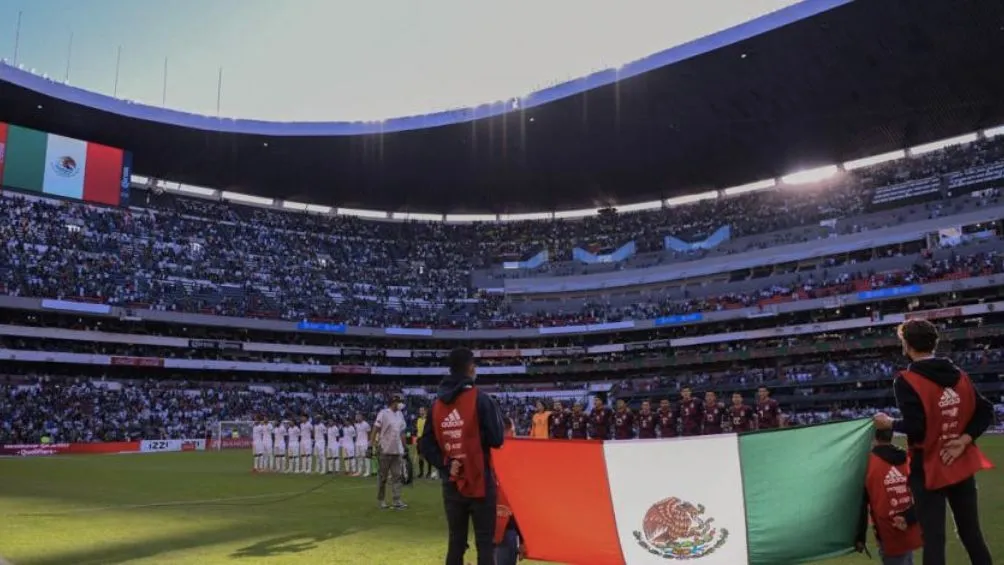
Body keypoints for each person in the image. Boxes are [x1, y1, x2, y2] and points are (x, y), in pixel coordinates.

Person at [874, 319, 994, 565]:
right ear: (934, 343)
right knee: (972, 535)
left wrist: (890, 424)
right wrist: (963, 440)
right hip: (960, 462)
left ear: (906, 345)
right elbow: (985, 411)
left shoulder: (906, 380)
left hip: (927, 465)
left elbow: (916, 430)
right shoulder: (960, 375)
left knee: (933, 539)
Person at [419, 347, 505, 565]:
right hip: (480, 481)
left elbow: (425, 444)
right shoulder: (482, 399)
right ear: (471, 368)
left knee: (456, 542)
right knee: (485, 543)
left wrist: (445, 464)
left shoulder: (436, 406)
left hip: (452, 482)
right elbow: (497, 439)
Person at [856, 428, 922, 565]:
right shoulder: (906, 457)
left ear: (874, 437)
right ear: (892, 435)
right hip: (909, 523)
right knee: (907, 559)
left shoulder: (868, 463)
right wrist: (910, 517)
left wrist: (860, 537)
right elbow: (921, 494)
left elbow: (862, 504)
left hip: (887, 528)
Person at [494, 417, 525, 565]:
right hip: (507, 525)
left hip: (489, 525)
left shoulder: (487, 453)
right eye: (513, 431)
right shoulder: (515, 457)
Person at [373, 395, 408, 509]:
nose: (401, 404)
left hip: (397, 450)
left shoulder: (400, 414)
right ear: (393, 402)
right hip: (385, 449)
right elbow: (375, 429)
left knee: (397, 476)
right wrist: (371, 444)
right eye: (399, 402)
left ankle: (396, 499)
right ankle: (381, 500)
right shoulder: (383, 413)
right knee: (383, 477)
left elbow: (402, 431)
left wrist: (405, 446)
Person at [354, 412, 372, 477]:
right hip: (358, 443)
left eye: (358, 416)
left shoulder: (366, 424)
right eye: (356, 417)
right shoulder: (356, 425)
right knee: (359, 458)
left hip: (364, 443)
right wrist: (356, 442)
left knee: (366, 458)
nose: (357, 418)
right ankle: (359, 471)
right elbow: (356, 434)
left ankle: (368, 472)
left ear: (362, 417)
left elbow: (369, 434)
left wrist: (369, 443)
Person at [416, 406, 430, 479]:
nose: (420, 412)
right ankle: (421, 473)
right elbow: (418, 430)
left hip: (425, 439)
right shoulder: (418, 420)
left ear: (425, 411)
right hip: (419, 439)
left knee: (427, 456)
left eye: (421, 410)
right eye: (419, 410)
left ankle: (429, 472)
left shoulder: (427, 420)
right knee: (420, 456)